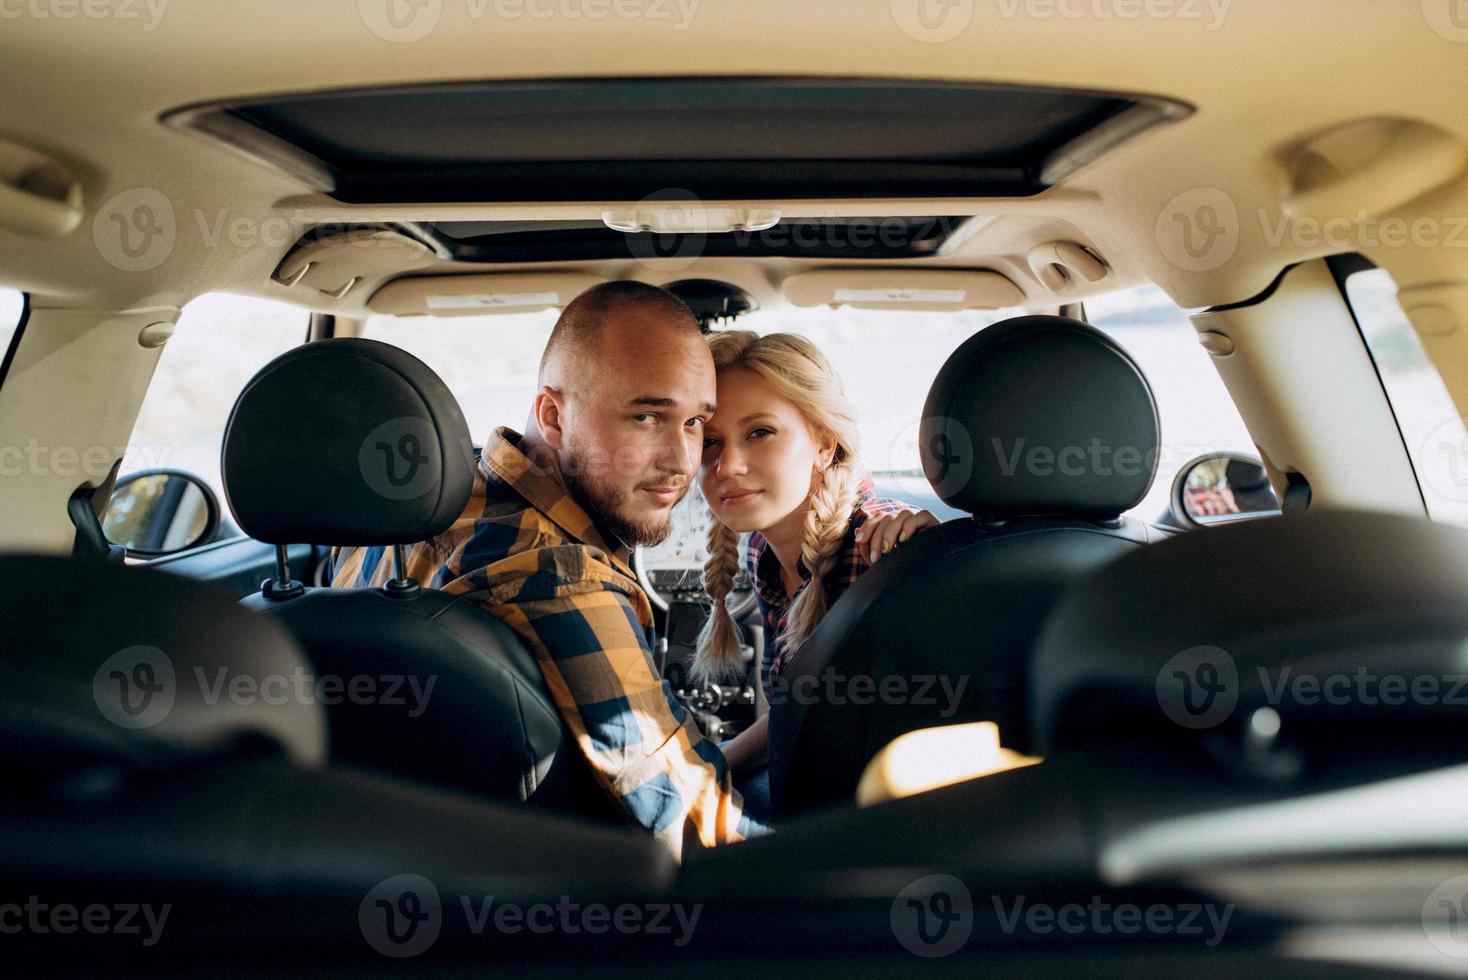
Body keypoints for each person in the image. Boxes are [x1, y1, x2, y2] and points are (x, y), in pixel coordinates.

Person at [330, 281, 764, 857]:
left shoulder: (393, 521)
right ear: (553, 417)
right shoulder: (559, 576)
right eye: (645, 417)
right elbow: (695, 826)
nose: (682, 462)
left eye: (694, 425)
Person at [691, 331, 939, 820]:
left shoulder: (882, 548)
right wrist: (708, 765)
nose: (728, 465)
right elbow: (794, 714)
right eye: (710, 441)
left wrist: (933, 553)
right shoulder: (764, 550)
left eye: (760, 432)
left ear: (824, 443)